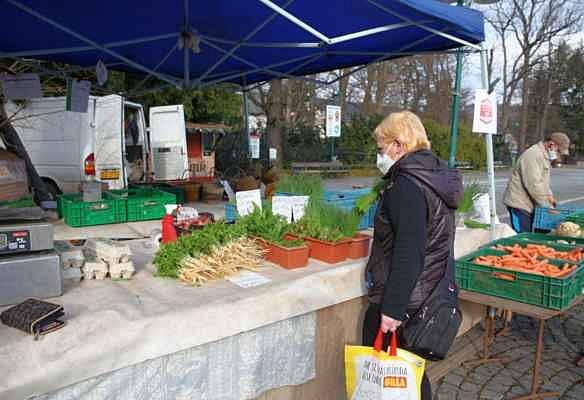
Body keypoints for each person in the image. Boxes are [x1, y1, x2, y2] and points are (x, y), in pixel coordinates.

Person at [363, 111, 462, 400]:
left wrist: (392, 310)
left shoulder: (406, 185)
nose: (379, 155)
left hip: (406, 299)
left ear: (398, 145)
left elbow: (409, 250)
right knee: (409, 373)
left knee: (394, 373)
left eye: (381, 149)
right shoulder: (433, 176)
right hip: (429, 291)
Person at [503, 132, 571, 233]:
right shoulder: (533, 155)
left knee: (532, 236)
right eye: (558, 151)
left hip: (530, 204)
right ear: (551, 145)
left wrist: (549, 196)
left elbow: (542, 182)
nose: (558, 155)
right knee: (522, 237)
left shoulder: (544, 156)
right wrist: (548, 207)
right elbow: (534, 185)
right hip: (519, 204)